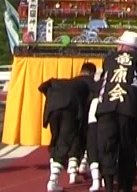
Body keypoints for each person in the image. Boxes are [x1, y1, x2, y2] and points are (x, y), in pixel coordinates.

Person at [95, 31, 137, 192]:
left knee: (107, 148)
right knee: (127, 148)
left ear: (124, 46)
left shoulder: (109, 58)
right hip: (129, 109)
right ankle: (126, 187)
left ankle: (110, 186)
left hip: (106, 108)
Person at [41, 62, 97, 191]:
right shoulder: (89, 82)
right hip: (70, 109)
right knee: (64, 141)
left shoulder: (72, 81)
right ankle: (52, 182)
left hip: (53, 107)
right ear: (92, 73)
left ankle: (72, 173)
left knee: (58, 140)